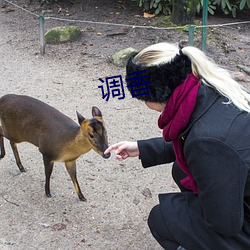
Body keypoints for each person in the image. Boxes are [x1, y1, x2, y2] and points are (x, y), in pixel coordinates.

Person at [104, 42, 250, 250]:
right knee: (181, 169)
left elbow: (225, 224)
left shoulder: (207, 142)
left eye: (142, 98)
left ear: (157, 94)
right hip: (241, 186)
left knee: (162, 218)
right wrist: (142, 148)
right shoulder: (209, 88)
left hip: (241, 222)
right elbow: (194, 139)